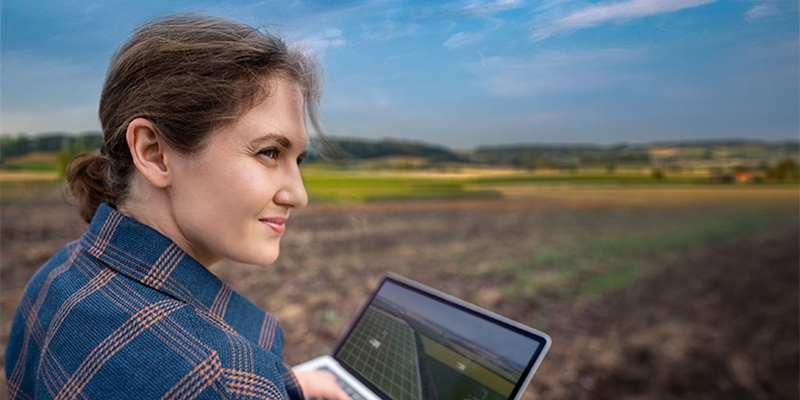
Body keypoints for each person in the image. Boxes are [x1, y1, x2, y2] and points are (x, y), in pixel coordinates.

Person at [5, 14, 350, 400]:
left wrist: (285, 387)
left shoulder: (57, 278)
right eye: (269, 152)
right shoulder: (222, 379)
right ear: (153, 154)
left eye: (298, 160)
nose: (298, 195)